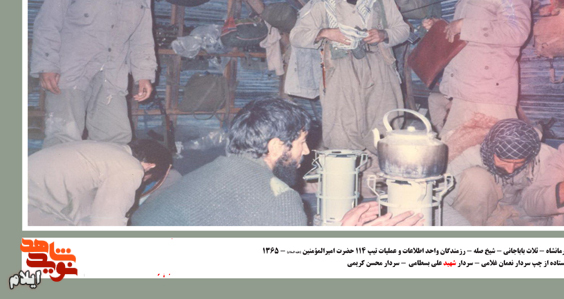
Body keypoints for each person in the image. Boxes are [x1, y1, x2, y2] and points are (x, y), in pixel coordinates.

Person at [131, 97, 423, 227]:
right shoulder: (278, 198)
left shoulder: (212, 172)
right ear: (275, 147)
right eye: (301, 142)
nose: (306, 152)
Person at [30, 0, 158, 148]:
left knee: (115, 138)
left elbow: (142, 35)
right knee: (63, 138)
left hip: (112, 74)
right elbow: (48, 20)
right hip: (69, 71)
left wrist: (144, 74)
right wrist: (46, 64)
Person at [286, 0, 409, 154]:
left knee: (384, 121)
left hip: (379, 66)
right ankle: (346, 166)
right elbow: (296, 36)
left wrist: (384, 34)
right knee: (342, 125)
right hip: (339, 69)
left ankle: (379, 167)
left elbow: (403, 30)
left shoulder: (382, 1)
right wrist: (325, 33)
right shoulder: (321, 3)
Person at [422, 0, 534, 140]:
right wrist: (443, 27)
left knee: (492, 153)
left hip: (489, 95)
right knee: (452, 150)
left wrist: (463, 25)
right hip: (465, 90)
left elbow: (516, 32)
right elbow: (472, 35)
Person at [445, 119, 564, 226]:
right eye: (504, 161)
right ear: (491, 150)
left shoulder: (545, 157)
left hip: (522, 214)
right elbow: (441, 200)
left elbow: (541, 204)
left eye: (518, 163)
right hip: (481, 211)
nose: (510, 169)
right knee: (476, 178)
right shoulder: (467, 155)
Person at [28, 139, 172, 226]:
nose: (141, 182)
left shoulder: (108, 150)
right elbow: (107, 225)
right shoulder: (130, 168)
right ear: (150, 166)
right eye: (146, 179)